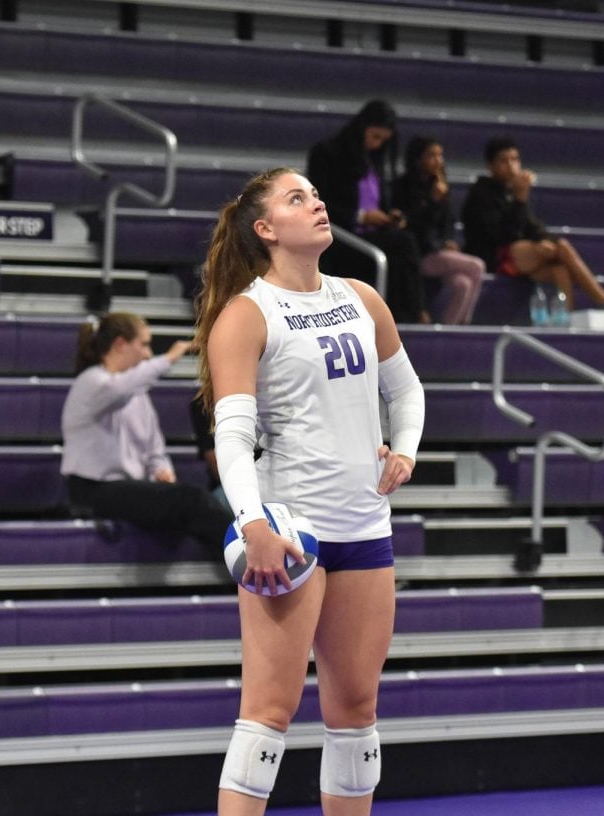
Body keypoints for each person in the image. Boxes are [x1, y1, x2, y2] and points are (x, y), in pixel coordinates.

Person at [195, 167, 424, 815]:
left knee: (356, 709)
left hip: (365, 528)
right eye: (299, 198)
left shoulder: (360, 296)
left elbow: (405, 389)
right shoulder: (247, 314)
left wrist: (402, 450)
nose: (318, 202)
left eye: (318, 194)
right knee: (269, 708)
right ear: (266, 229)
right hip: (294, 532)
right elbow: (232, 439)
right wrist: (254, 523)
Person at [60, 313, 232, 549]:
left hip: (127, 488)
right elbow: (120, 388)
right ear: (120, 344)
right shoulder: (91, 382)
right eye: (143, 345)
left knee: (187, 502)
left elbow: (154, 450)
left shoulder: (137, 395)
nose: (148, 354)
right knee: (193, 500)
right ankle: (251, 565)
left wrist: (162, 470)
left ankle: (246, 565)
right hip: (93, 490)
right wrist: (170, 357)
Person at [461, 136, 604, 320]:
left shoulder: (513, 191)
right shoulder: (481, 193)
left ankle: (567, 318)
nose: (511, 165)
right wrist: (519, 200)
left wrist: (545, 243)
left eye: (515, 159)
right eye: (503, 160)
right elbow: (503, 237)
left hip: (520, 257)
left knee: (560, 268)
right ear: (491, 166)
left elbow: (533, 227)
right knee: (561, 247)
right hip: (493, 258)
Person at [306, 99, 427, 324]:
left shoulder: (375, 161)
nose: (378, 145)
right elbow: (319, 202)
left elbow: (380, 202)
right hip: (342, 235)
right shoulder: (326, 153)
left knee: (402, 247)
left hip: (372, 234)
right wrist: (361, 216)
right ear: (362, 128)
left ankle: (401, 317)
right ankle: (415, 313)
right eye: (375, 137)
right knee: (405, 244)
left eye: (383, 140)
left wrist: (391, 216)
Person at [392, 135, 485, 325]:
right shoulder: (403, 186)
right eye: (431, 155)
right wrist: (433, 202)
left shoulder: (439, 185)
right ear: (418, 159)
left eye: (440, 155)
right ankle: (465, 324)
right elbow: (413, 226)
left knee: (463, 284)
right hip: (419, 254)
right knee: (477, 266)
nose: (438, 160)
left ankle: (449, 331)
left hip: (439, 252)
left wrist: (448, 241)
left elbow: (446, 223)